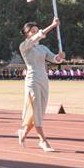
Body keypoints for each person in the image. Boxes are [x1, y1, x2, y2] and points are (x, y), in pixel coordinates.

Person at [17, 18, 65, 152]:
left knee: (39, 111)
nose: (36, 33)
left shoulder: (43, 48)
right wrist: (52, 25)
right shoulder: (24, 46)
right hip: (32, 80)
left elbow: (54, 59)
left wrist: (59, 57)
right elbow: (40, 35)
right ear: (27, 34)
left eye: (37, 30)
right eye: (33, 31)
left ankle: (23, 132)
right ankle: (43, 141)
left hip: (43, 79)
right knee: (36, 109)